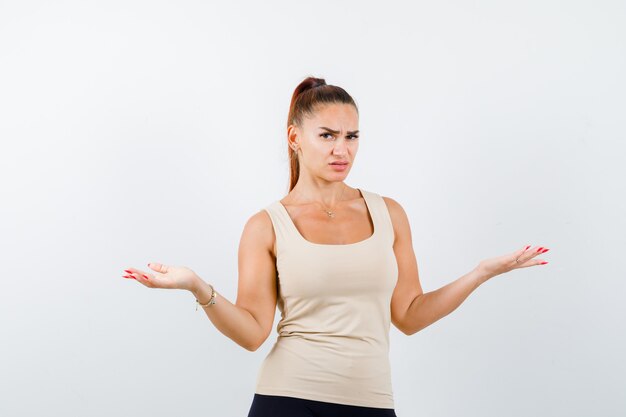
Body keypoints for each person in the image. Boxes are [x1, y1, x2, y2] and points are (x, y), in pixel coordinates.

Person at [121, 76, 551, 417]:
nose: (342, 149)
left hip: (371, 399)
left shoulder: (389, 213)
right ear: (295, 139)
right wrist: (197, 286)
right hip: (287, 398)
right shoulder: (266, 226)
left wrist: (481, 273)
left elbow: (410, 315)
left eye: (351, 136)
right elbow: (253, 333)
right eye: (327, 136)